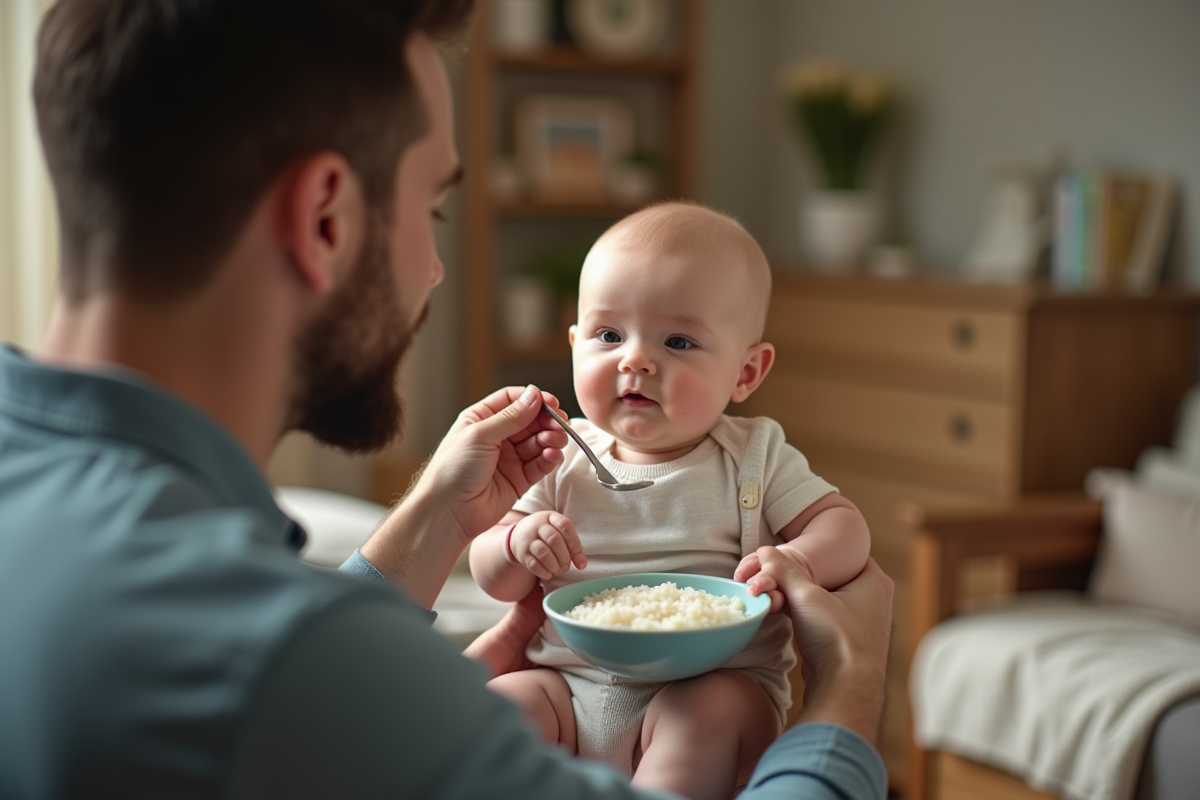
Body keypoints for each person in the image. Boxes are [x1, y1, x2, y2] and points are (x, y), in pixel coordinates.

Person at [0, 1, 893, 799]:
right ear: (326, 218)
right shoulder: (266, 663)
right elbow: (280, 668)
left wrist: (433, 517)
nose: (433, 270)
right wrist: (849, 690)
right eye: (430, 211)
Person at [468, 202, 873, 799]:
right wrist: (513, 543)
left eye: (678, 341)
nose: (636, 359)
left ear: (746, 371)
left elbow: (846, 527)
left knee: (707, 711)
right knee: (499, 705)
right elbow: (494, 580)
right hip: (566, 686)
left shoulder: (754, 453)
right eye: (609, 335)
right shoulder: (560, 454)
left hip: (712, 684)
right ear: (576, 343)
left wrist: (802, 561)